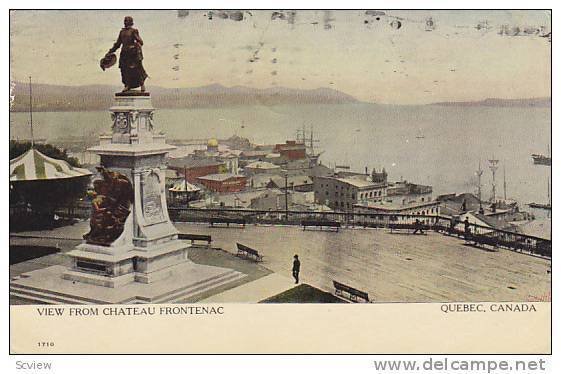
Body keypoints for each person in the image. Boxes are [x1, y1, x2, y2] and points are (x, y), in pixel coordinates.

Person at [106, 16, 148, 92]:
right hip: (124, 53)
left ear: (130, 22)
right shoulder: (122, 32)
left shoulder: (134, 31)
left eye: (127, 21)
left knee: (136, 69)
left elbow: (141, 42)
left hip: (132, 54)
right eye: (124, 21)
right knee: (124, 69)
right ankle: (127, 85)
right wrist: (111, 51)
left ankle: (142, 84)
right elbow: (118, 44)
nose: (125, 22)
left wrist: (135, 46)